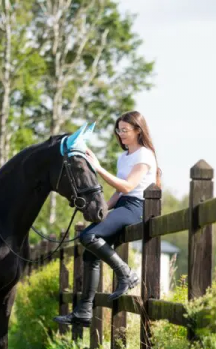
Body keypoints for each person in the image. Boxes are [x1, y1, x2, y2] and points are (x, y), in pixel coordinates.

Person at [54, 111, 161, 327]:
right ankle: (84, 313)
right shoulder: (124, 157)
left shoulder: (145, 155)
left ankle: (126, 273)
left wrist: (99, 168)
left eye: (125, 130)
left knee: (88, 236)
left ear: (138, 130)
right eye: (118, 130)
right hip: (123, 205)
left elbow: (128, 187)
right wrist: (102, 209)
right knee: (90, 256)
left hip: (137, 206)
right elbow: (118, 192)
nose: (120, 134)